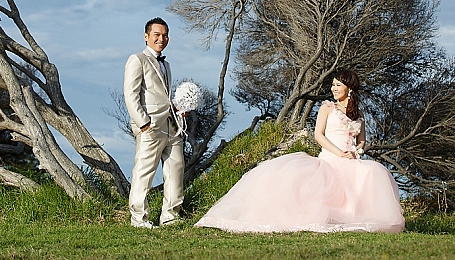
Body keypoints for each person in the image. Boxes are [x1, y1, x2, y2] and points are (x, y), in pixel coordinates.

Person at [194, 69, 405, 233]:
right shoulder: (327, 108)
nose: (333, 88)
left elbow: (362, 140)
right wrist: (339, 153)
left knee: (373, 171)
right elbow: (319, 135)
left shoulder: (359, 113)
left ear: (349, 88)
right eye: (332, 85)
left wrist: (356, 152)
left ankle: (363, 217)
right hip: (331, 157)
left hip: (351, 159)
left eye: (337, 85)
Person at [124, 17, 185, 228]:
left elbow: (163, 96)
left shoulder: (166, 64)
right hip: (150, 127)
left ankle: (170, 217)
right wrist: (143, 123)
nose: (161, 39)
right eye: (157, 35)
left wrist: (177, 111)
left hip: (172, 125)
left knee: (176, 170)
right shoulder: (137, 60)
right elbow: (130, 95)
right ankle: (139, 218)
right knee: (144, 172)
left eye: (165, 35)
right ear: (146, 36)